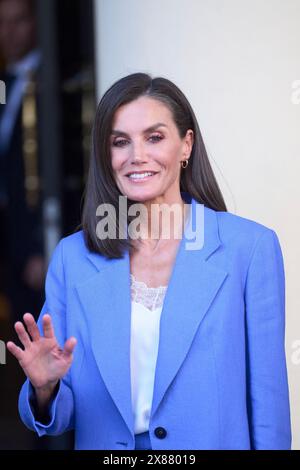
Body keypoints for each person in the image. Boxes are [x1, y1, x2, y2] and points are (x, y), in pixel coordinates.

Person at [7, 73, 291, 450]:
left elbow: (268, 411)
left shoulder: (249, 249)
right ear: (106, 156)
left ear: (186, 144)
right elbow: (64, 415)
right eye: (120, 142)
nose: (136, 155)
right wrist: (45, 388)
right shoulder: (72, 260)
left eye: (154, 137)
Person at [0, 0, 44, 323]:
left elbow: (55, 170)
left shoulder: (52, 79)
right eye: (3, 23)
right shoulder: (2, 82)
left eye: (18, 22)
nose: (10, 33)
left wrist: (41, 245)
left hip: (33, 243)